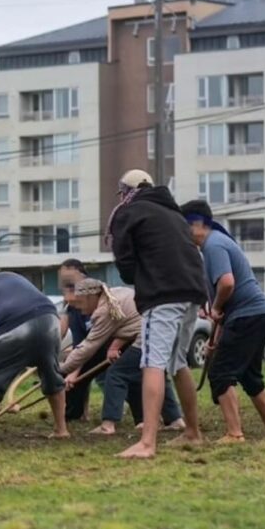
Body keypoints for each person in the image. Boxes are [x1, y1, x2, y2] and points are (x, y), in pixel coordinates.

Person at [107, 169, 207, 459]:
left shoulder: (131, 212)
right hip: (192, 292)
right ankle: (193, 432)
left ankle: (147, 443)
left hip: (163, 294)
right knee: (178, 363)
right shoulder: (173, 213)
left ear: (128, 191)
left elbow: (125, 263)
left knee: (151, 362)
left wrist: (139, 277)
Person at [181, 200, 265, 441]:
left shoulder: (213, 244)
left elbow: (227, 284)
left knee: (220, 373)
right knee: (250, 376)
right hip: (258, 315)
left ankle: (235, 434)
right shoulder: (215, 243)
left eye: (182, 225)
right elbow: (226, 308)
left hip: (249, 315)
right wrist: (214, 340)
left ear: (196, 224)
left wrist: (215, 307)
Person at [61, 279, 183, 435]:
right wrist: (115, 346)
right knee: (157, 372)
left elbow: (89, 346)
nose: (79, 309)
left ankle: (108, 424)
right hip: (163, 330)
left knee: (117, 373)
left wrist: (62, 370)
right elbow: (131, 322)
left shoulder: (104, 310)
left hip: (150, 334)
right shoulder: (115, 294)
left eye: (80, 303)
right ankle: (175, 419)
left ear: (91, 297)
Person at [0, 268, 69, 441]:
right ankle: (61, 429)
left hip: (14, 326)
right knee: (52, 376)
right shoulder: (10, 277)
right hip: (50, 320)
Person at [58, 259, 103, 422]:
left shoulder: (93, 294)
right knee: (76, 376)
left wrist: (75, 367)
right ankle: (82, 413)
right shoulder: (69, 302)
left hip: (101, 345)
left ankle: (110, 418)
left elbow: (93, 338)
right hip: (83, 346)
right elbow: (61, 330)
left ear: (81, 274)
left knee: (112, 379)